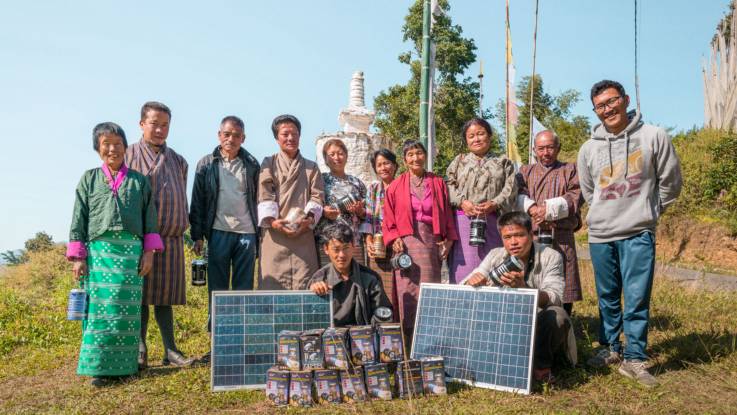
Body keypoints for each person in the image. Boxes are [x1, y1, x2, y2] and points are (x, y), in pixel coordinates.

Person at [578, 80, 682, 387]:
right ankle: (610, 348)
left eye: (612, 102)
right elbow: (588, 190)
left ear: (625, 100)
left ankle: (635, 359)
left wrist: (649, 212)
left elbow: (671, 181)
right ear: (595, 111)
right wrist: (600, 213)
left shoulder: (653, 136)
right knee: (607, 297)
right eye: (600, 106)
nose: (607, 109)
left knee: (637, 297)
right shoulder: (589, 148)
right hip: (600, 234)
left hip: (637, 231)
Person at [67, 122, 163, 387]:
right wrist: (78, 257)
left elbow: (150, 220)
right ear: (98, 149)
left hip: (131, 255)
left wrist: (149, 253)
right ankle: (100, 368)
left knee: (128, 311)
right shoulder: (89, 179)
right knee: (100, 312)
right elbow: (79, 218)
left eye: (118, 144)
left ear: (125, 147)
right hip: (99, 255)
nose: (112, 149)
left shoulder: (139, 181)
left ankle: (126, 366)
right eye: (106, 144)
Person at [463, 211, 572, 383]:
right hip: (504, 324)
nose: (513, 242)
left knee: (557, 315)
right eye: (507, 237)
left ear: (531, 234)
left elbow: (555, 297)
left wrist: (524, 289)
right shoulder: (495, 255)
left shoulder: (552, 256)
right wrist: (473, 280)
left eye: (519, 235)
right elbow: (473, 278)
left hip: (536, 323)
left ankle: (541, 368)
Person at [125, 101, 194, 368]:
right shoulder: (129, 155)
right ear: (142, 124)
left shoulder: (178, 160)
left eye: (165, 124)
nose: (160, 129)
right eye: (154, 123)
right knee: (140, 295)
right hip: (140, 239)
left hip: (172, 238)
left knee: (165, 297)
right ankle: (140, 349)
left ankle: (171, 350)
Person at [189, 115, 260, 336]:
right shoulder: (206, 164)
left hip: (246, 233)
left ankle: (240, 336)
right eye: (227, 134)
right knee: (217, 288)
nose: (231, 139)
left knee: (243, 288)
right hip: (218, 231)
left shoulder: (251, 164)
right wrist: (197, 235)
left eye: (236, 135)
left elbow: (259, 199)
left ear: (243, 138)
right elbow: (198, 201)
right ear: (219, 135)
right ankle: (218, 337)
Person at [382, 140, 457, 339]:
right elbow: (388, 218)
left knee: (430, 289)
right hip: (407, 244)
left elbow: (448, 214)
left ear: (425, 155)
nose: (416, 158)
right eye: (410, 155)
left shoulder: (438, 183)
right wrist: (394, 238)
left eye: (419, 153)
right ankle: (407, 339)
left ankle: (431, 337)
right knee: (408, 288)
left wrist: (449, 239)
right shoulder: (395, 186)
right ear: (405, 160)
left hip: (432, 242)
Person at [517, 130, 584, 316]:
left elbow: (575, 196)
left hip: (561, 238)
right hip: (533, 238)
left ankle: (563, 326)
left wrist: (548, 209)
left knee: (564, 284)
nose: (545, 152)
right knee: (532, 279)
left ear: (558, 148)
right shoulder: (524, 171)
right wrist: (532, 209)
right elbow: (518, 194)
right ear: (534, 150)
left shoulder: (571, 170)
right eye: (541, 148)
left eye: (550, 147)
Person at [257, 114, 325, 290]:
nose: (290, 138)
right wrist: (273, 222)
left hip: (303, 234)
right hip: (275, 234)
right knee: (272, 287)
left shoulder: (311, 167)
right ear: (276, 138)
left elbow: (317, 196)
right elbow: (264, 194)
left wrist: (308, 220)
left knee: (306, 285)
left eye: (294, 134)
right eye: (285, 134)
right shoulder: (268, 163)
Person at [446, 118, 517, 284]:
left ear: (489, 136)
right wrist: (463, 202)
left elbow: (511, 189)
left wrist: (495, 203)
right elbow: (448, 186)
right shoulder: (459, 162)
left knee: (492, 268)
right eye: (471, 136)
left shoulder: (503, 162)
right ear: (466, 140)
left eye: (480, 134)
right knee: (462, 269)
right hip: (463, 224)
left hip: (492, 223)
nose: (476, 139)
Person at [308, 223, 392, 327]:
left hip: (363, 336)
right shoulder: (319, 279)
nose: (342, 255)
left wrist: (369, 332)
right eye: (336, 249)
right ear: (326, 249)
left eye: (346, 248)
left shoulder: (370, 278)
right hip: (331, 338)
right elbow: (309, 319)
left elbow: (383, 312)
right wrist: (312, 295)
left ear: (353, 246)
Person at [316, 138, 367, 267]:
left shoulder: (357, 183)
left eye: (340, 153)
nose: (336, 157)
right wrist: (323, 212)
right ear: (325, 159)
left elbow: (367, 214)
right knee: (329, 280)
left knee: (355, 279)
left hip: (352, 241)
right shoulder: (320, 180)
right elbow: (311, 204)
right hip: (328, 241)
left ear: (346, 156)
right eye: (332, 154)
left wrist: (360, 212)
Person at [361, 149, 399, 310]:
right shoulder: (373, 189)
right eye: (379, 165)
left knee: (398, 287)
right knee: (379, 288)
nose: (383, 168)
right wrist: (369, 240)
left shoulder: (402, 186)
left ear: (395, 166)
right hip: (378, 246)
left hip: (398, 245)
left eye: (387, 163)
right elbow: (369, 217)